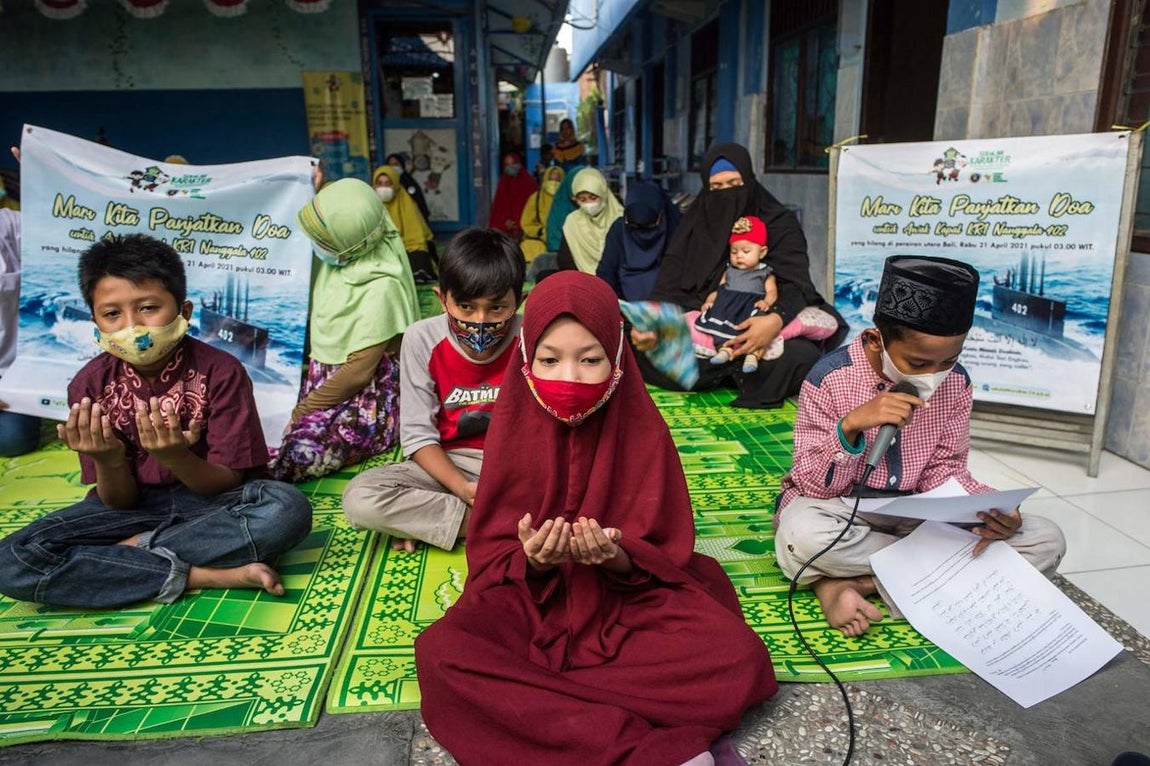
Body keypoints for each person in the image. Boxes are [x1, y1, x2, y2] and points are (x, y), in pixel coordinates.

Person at [415, 271, 777, 766]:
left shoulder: (644, 431)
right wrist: (534, 561)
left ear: (617, 355)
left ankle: (548, 712)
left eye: (590, 360)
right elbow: (492, 557)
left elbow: (667, 553)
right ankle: (643, 748)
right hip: (532, 606)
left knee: (740, 660)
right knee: (441, 652)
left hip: (626, 605)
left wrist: (618, 558)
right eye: (549, 359)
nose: (569, 376)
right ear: (526, 358)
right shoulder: (510, 428)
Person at [0, 234, 312, 609]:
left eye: (148, 308)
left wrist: (176, 457)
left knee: (285, 508)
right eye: (112, 314)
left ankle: (127, 556)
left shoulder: (221, 371)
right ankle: (203, 574)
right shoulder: (88, 385)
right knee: (12, 559)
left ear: (185, 312)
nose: (133, 327)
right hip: (131, 511)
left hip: (215, 504)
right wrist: (108, 460)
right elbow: (119, 502)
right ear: (95, 321)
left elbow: (227, 481)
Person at [773, 255, 1066, 637]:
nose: (934, 375)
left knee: (1046, 539)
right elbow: (812, 485)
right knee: (801, 536)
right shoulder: (830, 378)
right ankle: (936, 578)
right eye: (917, 362)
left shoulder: (956, 383)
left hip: (917, 519)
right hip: (845, 512)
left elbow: (947, 469)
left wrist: (995, 512)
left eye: (949, 360)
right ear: (877, 340)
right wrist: (852, 426)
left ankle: (847, 584)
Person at [341, 228, 525, 553]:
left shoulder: (531, 336)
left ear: (519, 301)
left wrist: (422, 517)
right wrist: (463, 489)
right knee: (361, 497)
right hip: (451, 466)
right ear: (442, 299)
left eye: (497, 308)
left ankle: (444, 524)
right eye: (466, 307)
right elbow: (418, 436)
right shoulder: (421, 339)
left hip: (519, 466)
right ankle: (503, 524)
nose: (480, 321)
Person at [635, 142, 847, 409]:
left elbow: (796, 284)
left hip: (761, 319)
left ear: (749, 180)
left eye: (735, 184)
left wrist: (774, 320)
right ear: (706, 189)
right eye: (717, 188)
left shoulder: (778, 222)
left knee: (799, 356)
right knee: (638, 341)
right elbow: (669, 285)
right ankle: (736, 371)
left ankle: (721, 370)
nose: (727, 195)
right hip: (705, 320)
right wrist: (652, 322)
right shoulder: (695, 222)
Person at [270, 178, 419, 483]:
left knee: (299, 453)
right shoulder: (339, 263)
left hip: (366, 398)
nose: (317, 246)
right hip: (325, 387)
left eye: (324, 240)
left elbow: (358, 373)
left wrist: (302, 411)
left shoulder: (381, 287)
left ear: (353, 241)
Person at [695, 215, 777, 374]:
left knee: (757, 322)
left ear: (762, 252)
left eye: (746, 251)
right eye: (734, 251)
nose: (739, 255)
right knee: (718, 322)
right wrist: (709, 301)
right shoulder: (729, 271)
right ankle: (724, 349)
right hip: (727, 304)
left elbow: (772, 292)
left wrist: (766, 302)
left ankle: (753, 354)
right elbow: (719, 290)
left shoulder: (764, 273)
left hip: (750, 305)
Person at [0, 182, 42, 457]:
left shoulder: (9, 226)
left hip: (13, 376)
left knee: (14, 440)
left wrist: (46, 181)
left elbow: (62, 231)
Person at [596, 180, 681, 302]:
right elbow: (606, 272)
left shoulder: (674, 230)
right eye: (634, 226)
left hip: (666, 303)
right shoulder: (619, 229)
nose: (642, 233)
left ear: (661, 216)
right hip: (624, 305)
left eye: (649, 227)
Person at [372, 164, 437, 283]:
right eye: (379, 183)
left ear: (396, 185)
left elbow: (418, 239)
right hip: (380, 249)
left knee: (419, 259)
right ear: (374, 186)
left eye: (388, 183)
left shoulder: (407, 203)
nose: (383, 187)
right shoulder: (370, 206)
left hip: (407, 247)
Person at [556, 167, 624, 275]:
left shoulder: (621, 219)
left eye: (593, 197)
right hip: (583, 281)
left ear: (603, 194)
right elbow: (565, 260)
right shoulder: (572, 221)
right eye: (582, 199)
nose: (588, 203)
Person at [519, 164, 564, 262]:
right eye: (551, 179)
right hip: (539, 244)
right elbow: (526, 223)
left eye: (558, 180)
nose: (554, 183)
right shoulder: (535, 198)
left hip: (562, 244)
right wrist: (540, 231)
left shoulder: (566, 200)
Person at [487, 151, 537, 239]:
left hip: (525, 232)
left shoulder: (529, 184)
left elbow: (534, 208)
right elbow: (497, 210)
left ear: (519, 164)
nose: (510, 167)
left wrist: (520, 224)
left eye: (513, 163)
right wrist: (504, 222)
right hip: (506, 233)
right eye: (507, 164)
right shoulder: (502, 184)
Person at [385, 152, 432, 222]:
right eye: (390, 165)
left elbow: (419, 203)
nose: (393, 168)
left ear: (402, 165)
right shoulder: (384, 183)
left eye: (396, 164)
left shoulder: (409, 182)